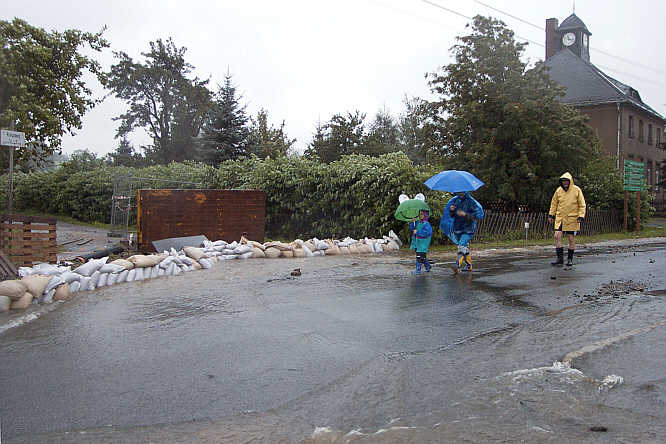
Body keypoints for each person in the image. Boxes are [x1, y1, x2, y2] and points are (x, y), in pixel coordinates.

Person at [548, 172, 586, 266]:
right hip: (560, 218)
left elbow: (582, 204)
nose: (565, 183)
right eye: (563, 181)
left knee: (570, 238)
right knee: (557, 236)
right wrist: (551, 215)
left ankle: (570, 259)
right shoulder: (558, 191)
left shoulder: (577, 190)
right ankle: (559, 259)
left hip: (572, 218)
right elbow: (554, 203)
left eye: (566, 181)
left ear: (570, 181)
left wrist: (581, 216)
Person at [440, 191, 484, 272]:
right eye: (459, 191)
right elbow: (452, 215)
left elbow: (478, 216)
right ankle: (469, 266)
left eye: (462, 191)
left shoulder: (471, 201)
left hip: (468, 228)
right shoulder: (454, 201)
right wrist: (452, 210)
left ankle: (457, 265)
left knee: (461, 245)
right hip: (458, 228)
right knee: (464, 246)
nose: (460, 193)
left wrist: (465, 214)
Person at [409, 209, 433, 274]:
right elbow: (412, 229)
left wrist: (418, 232)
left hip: (423, 243)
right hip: (417, 242)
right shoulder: (418, 222)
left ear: (425, 215)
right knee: (422, 257)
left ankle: (418, 270)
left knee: (419, 256)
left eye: (422, 214)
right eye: (420, 214)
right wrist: (412, 222)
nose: (420, 215)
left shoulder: (427, 224)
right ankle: (428, 266)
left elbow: (427, 233)